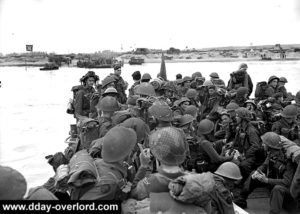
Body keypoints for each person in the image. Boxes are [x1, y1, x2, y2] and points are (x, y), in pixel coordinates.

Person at [130, 127, 210, 213]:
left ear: (158, 155)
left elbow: (133, 193)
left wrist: (143, 165)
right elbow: (208, 209)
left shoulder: (150, 181)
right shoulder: (198, 181)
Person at [234, 132, 296, 213]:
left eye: (264, 143)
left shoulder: (288, 160)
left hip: (286, 189)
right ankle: (241, 199)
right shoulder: (271, 154)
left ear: (270, 146)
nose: (262, 145)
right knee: (253, 173)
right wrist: (257, 172)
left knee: (277, 188)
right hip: (272, 182)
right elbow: (264, 165)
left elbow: (286, 182)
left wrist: (266, 180)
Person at [232, 107, 264, 179]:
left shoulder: (251, 131)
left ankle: (250, 179)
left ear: (243, 118)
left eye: (237, 116)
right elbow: (236, 141)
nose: (235, 117)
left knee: (243, 165)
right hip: (244, 151)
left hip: (252, 155)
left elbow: (255, 146)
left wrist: (245, 156)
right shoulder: (240, 128)